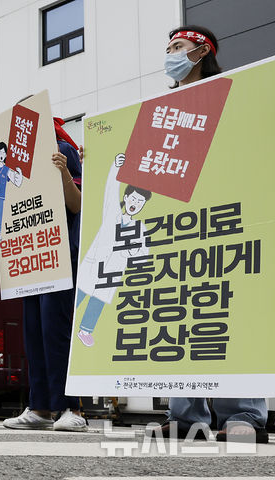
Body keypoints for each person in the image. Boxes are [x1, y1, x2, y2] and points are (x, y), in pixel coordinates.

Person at [147, 25, 268, 445]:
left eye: (177, 47)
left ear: (201, 51)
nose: (170, 54)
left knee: (229, 314)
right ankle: (185, 415)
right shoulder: (160, 110)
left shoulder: (234, 94)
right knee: (181, 314)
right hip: (179, 227)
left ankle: (244, 413)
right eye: (167, 48)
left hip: (226, 219)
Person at [4, 118, 87, 431]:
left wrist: (64, 170)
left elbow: (78, 204)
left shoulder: (61, 148)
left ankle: (72, 408)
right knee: (34, 333)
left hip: (57, 254)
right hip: (31, 256)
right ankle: (39, 408)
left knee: (56, 329)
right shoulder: (14, 163)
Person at [74, 157, 151, 347]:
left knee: (98, 300)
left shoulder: (140, 228)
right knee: (81, 292)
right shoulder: (112, 213)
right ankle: (68, 320)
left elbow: (144, 254)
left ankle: (85, 330)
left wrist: (133, 253)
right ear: (126, 198)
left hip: (113, 271)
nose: (135, 203)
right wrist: (115, 167)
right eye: (133, 198)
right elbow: (110, 189)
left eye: (140, 202)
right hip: (94, 263)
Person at [0, 142, 24, 240]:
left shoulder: (7, 169)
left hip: (1, 196)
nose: (1, 155)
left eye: (3, 153)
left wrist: (19, 173)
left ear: (6, 154)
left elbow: (17, 182)